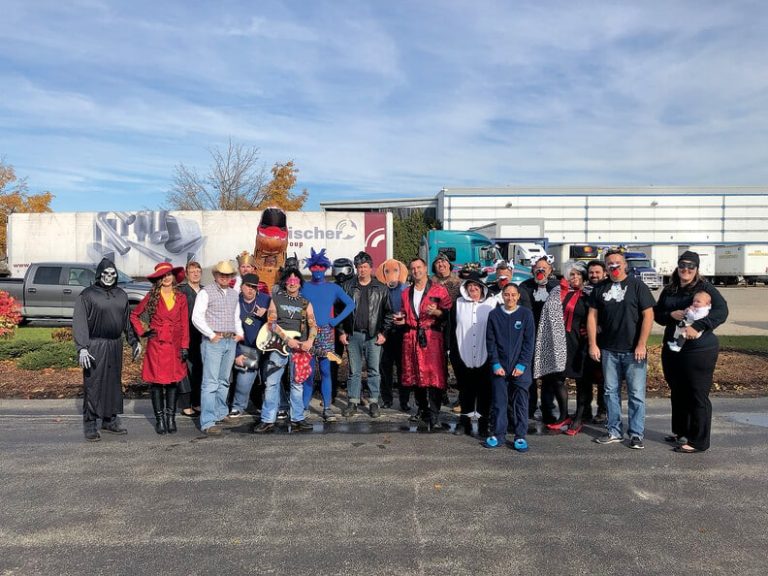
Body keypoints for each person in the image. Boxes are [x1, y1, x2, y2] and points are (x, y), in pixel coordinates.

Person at [654, 251, 728, 453]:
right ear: (677, 267)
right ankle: (682, 432)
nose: (686, 269)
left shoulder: (705, 288)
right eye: (682, 266)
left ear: (697, 269)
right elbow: (658, 314)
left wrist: (699, 325)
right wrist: (670, 314)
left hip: (699, 349)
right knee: (678, 391)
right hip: (673, 347)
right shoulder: (670, 289)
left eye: (690, 266)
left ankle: (698, 441)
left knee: (696, 393)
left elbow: (722, 311)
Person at [587, 250, 655, 449]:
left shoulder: (637, 286)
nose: (614, 266)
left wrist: (641, 344)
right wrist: (593, 344)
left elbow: (648, 315)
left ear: (625, 265)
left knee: (636, 394)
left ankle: (636, 434)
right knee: (610, 392)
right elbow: (592, 317)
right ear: (606, 267)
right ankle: (614, 431)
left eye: (617, 262)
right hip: (609, 350)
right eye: (610, 263)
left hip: (634, 351)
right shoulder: (600, 288)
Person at [73, 257, 141, 442]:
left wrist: (134, 341)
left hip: (115, 345)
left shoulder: (121, 295)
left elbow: (126, 322)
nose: (109, 277)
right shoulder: (87, 295)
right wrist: (82, 348)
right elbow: (79, 322)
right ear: (99, 274)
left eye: (112, 273)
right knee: (94, 385)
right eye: (105, 273)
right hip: (95, 346)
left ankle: (109, 420)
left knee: (113, 383)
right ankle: (90, 424)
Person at [254, 267, 318, 433]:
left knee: (297, 383)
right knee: (272, 383)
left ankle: (297, 418)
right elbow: (272, 323)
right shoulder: (276, 299)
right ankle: (268, 419)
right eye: (289, 280)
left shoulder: (306, 303)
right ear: (285, 282)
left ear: (300, 283)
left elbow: (313, 324)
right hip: (278, 346)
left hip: (299, 348)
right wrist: (287, 339)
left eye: (295, 280)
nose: (292, 283)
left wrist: (310, 340)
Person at [130, 262, 190, 435]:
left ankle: (171, 418)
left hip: (175, 346)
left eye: (169, 274)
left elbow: (185, 324)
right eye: (163, 276)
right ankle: (160, 420)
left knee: (172, 383)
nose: (166, 278)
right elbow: (134, 315)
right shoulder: (152, 296)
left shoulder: (181, 297)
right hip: (157, 345)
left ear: (173, 276)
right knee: (157, 384)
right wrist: (143, 332)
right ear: (158, 279)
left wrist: (185, 346)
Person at [394, 257, 453, 431]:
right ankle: (422, 409)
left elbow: (449, 313)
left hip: (431, 337)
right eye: (413, 268)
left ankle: (434, 414)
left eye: (419, 267)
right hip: (412, 337)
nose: (416, 271)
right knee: (415, 374)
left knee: (434, 376)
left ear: (425, 268)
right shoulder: (406, 292)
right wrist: (402, 321)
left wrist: (437, 312)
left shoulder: (438, 290)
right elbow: (405, 313)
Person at [533, 262, 589, 433]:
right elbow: (547, 315)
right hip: (558, 341)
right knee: (558, 379)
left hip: (579, 342)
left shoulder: (588, 295)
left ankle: (579, 417)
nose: (575, 277)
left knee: (581, 381)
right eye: (572, 274)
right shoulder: (557, 292)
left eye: (578, 274)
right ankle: (564, 414)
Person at [300, 248, 354, 421]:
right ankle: (304, 406)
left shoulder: (333, 288)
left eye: (321, 267)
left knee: (325, 371)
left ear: (326, 268)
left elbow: (351, 304)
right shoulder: (303, 287)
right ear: (310, 268)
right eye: (314, 267)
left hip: (326, 332)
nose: (317, 270)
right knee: (307, 371)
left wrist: (336, 320)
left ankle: (327, 408)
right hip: (308, 333)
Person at [192, 260, 244, 437]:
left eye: (228, 275)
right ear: (215, 275)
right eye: (221, 274)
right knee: (210, 382)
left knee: (223, 380)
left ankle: (220, 413)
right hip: (214, 340)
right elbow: (197, 317)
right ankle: (208, 421)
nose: (224, 277)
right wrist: (210, 334)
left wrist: (239, 333)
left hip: (230, 340)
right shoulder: (206, 292)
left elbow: (236, 316)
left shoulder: (233, 294)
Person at [339, 251, 392, 418]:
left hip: (373, 336)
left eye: (365, 267)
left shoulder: (381, 288)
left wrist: (384, 333)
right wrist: (341, 331)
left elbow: (389, 313)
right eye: (359, 267)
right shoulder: (347, 287)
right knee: (354, 371)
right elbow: (339, 310)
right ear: (356, 268)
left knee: (374, 370)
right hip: (353, 334)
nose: (362, 270)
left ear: (371, 268)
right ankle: (353, 402)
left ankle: (374, 402)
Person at [484, 283, 535, 451]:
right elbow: (490, 342)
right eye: (507, 294)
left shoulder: (526, 314)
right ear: (502, 296)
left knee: (520, 403)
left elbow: (529, 342)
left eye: (513, 295)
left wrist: (522, 364)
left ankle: (520, 436)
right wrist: (495, 363)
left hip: (520, 368)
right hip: (499, 367)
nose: (510, 298)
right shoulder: (494, 315)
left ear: (518, 296)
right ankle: (498, 435)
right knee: (499, 402)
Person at [450, 265, 495, 436]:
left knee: (485, 390)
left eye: (476, 286)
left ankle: (484, 424)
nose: (473, 289)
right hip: (463, 353)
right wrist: (452, 353)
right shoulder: (458, 304)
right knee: (466, 390)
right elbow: (451, 328)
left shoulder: (492, 303)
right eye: (470, 286)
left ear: (482, 288)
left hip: (486, 354)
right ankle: (465, 422)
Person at [517, 256, 559, 423]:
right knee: (530, 376)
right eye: (537, 268)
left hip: (550, 337)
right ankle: (529, 407)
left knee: (549, 376)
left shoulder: (556, 287)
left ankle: (548, 409)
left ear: (550, 270)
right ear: (532, 270)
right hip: (530, 336)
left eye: (544, 268)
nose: (540, 271)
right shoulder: (524, 286)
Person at [225, 273, 271, 420]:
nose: (251, 289)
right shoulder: (234, 303)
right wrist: (237, 353)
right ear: (241, 287)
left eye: (254, 287)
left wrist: (268, 314)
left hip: (267, 348)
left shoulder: (266, 300)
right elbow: (230, 331)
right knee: (243, 382)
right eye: (248, 286)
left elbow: (278, 322)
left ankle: (280, 407)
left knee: (271, 380)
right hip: (247, 349)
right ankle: (238, 407)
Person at [375, 258, 410, 411]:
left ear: (401, 271)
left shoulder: (407, 290)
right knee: (385, 367)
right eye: (387, 271)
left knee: (403, 368)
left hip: (402, 332)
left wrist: (405, 319)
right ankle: (387, 399)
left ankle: (404, 401)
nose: (391, 275)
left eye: (395, 271)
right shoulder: (380, 290)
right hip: (385, 332)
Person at [580, 260, 608, 423]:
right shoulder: (583, 292)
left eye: (597, 272)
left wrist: (600, 326)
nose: (594, 275)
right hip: (584, 340)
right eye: (591, 272)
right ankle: (585, 411)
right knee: (584, 378)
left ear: (604, 273)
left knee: (603, 379)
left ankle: (602, 410)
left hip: (604, 341)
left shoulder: (608, 290)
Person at [177, 261, 204, 417]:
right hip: (185, 336)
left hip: (202, 337)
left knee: (199, 370)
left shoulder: (205, 291)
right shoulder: (181, 291)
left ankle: (197, 402)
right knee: (185, 371)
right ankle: (186, 405)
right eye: (192, 271)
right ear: (187, 274)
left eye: (198, 271)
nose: (195, 274)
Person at [330, 258, 355, 403]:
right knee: (333, 362)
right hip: (335, 330)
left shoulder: (355, 286)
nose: (341, 274)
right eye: (337, 270)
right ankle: (331, 393)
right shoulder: (332, 288)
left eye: (344, 270)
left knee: (355, 365)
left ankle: (355, 395)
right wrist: (340, 330)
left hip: (353, 329)